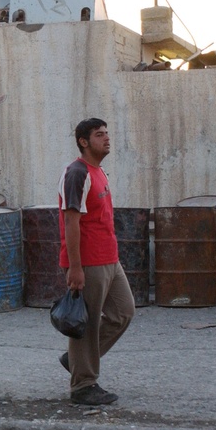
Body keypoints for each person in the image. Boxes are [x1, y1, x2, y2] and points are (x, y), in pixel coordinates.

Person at [57, 117, 135, 406]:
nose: (106, 138)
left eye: (107, 133)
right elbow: (70, 221)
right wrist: (75, 267)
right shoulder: (77, 173)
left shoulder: (99, 172)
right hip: (87, 262)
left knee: (123, 312)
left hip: (109, 259)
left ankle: (76, 361)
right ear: (83, 141)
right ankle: (82, 385)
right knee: (85, 326)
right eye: (99, 135)